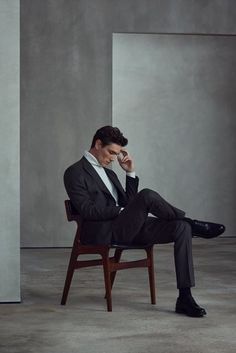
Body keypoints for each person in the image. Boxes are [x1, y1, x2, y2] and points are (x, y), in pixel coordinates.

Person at [64, 126, 225, 317]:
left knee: (180, 228)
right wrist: (121, 210)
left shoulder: (110, 173)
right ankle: (194, 224)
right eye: (111, 153)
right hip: (106, 231)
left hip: (129, 227)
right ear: (98, 144)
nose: (113, 158)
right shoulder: (75, 172)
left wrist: (130, 173)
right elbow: (87, 210)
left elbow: (131, 205)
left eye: (116, 154)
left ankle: (185, 297)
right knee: (147, 195)